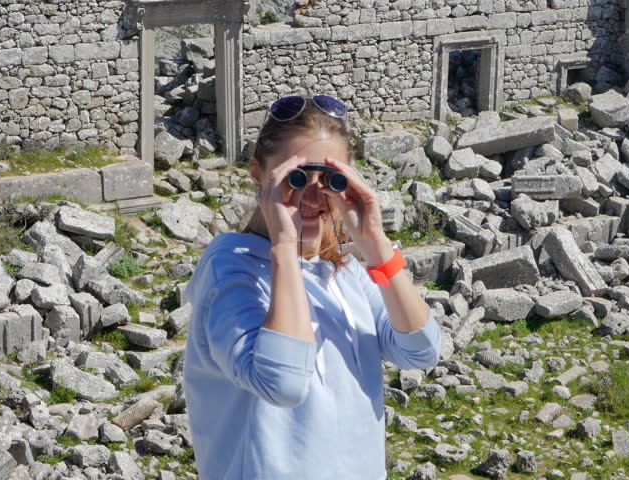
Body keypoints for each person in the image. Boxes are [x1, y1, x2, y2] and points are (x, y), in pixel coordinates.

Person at [183, 94, 442, 479]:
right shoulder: (230, 269)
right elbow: (282, 383)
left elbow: (421, 350)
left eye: (331, 179)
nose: (313, 195)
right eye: (296, 177)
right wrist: (285, 249)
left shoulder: (345, 272)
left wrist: (375, 244)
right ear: (258, 172)